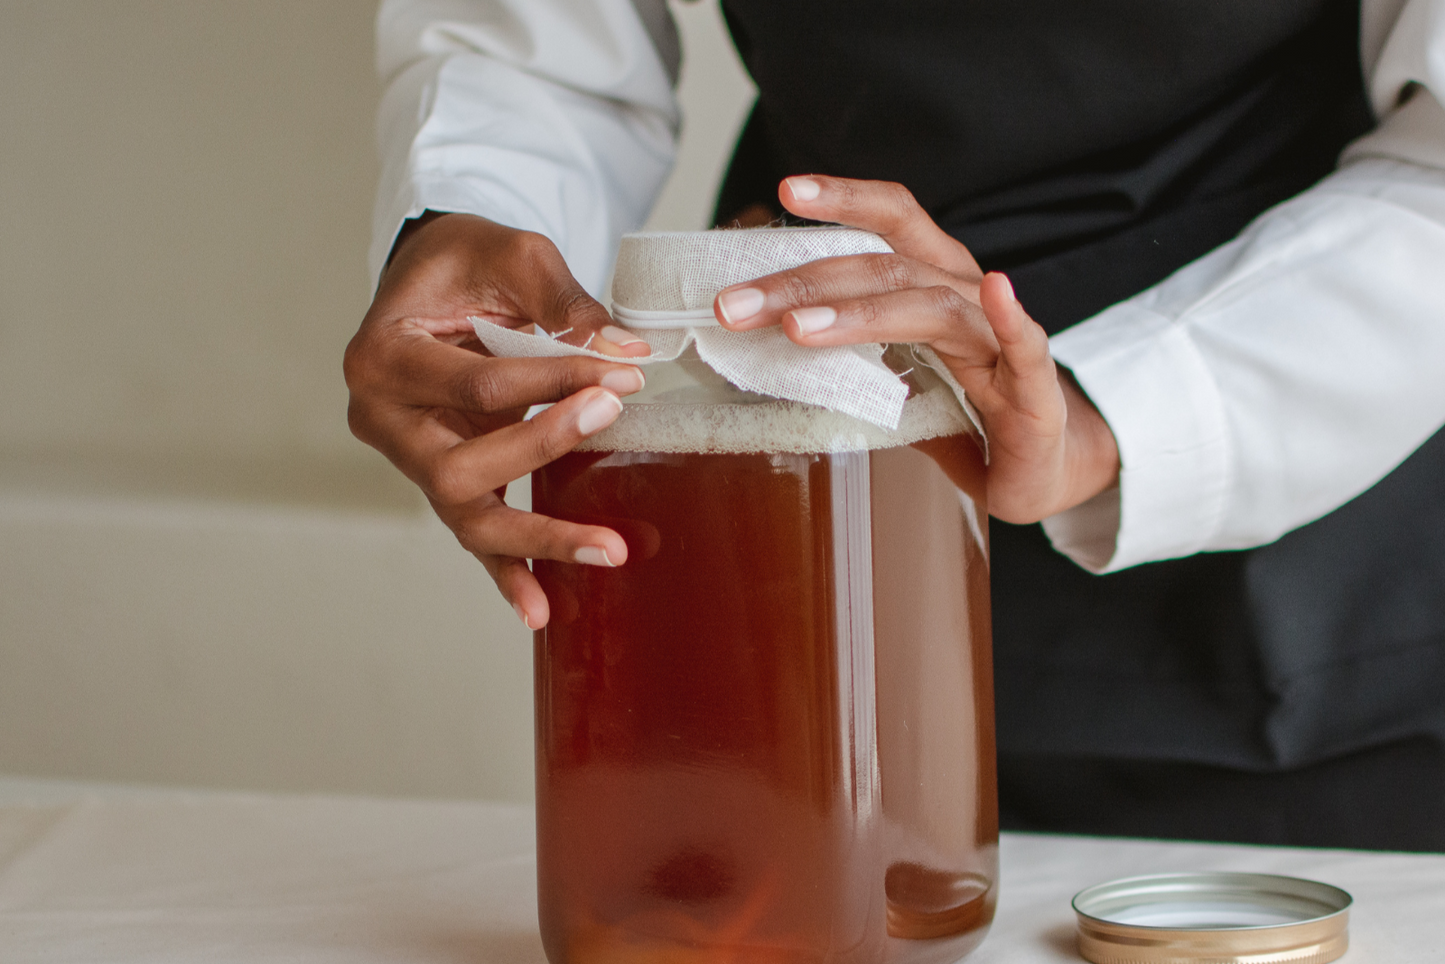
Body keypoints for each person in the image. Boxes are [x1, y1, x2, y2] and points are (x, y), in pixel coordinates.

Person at [346, 0, 1445, 849]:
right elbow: (538, 52)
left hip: (1309, 572)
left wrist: (1102, 420)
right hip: (798, 495)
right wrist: (470, 222)